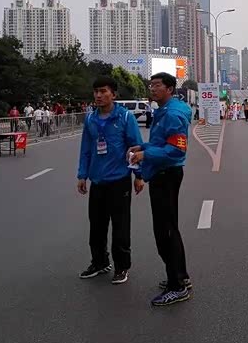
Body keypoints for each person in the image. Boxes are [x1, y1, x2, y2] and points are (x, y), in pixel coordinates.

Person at [128, 72, 192, 307]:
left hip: (167, 174)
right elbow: (161, 143)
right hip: (161, 172)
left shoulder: (173, 114)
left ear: (170, 89)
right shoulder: (164, 111)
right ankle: (180, 276)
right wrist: (143, 147)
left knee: (165, 232)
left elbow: (177, 150)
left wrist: (145, 154)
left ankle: (177, 287)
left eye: (157, 85)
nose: (152, 89)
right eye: (151, 85)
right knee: (169, 229)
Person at [77, 77, 144, 285]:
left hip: (119, 180)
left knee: (120, 227)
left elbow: (135, 147)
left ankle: (122, 266)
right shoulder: (90, 119)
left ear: (113, 94)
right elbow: (86, 149)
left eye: (103, 91)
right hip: (98, 181)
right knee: (96, 226)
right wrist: (82, 175)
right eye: (96, 91)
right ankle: (99, 262)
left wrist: (139, 176)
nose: (98, 95)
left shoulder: (125, 117)